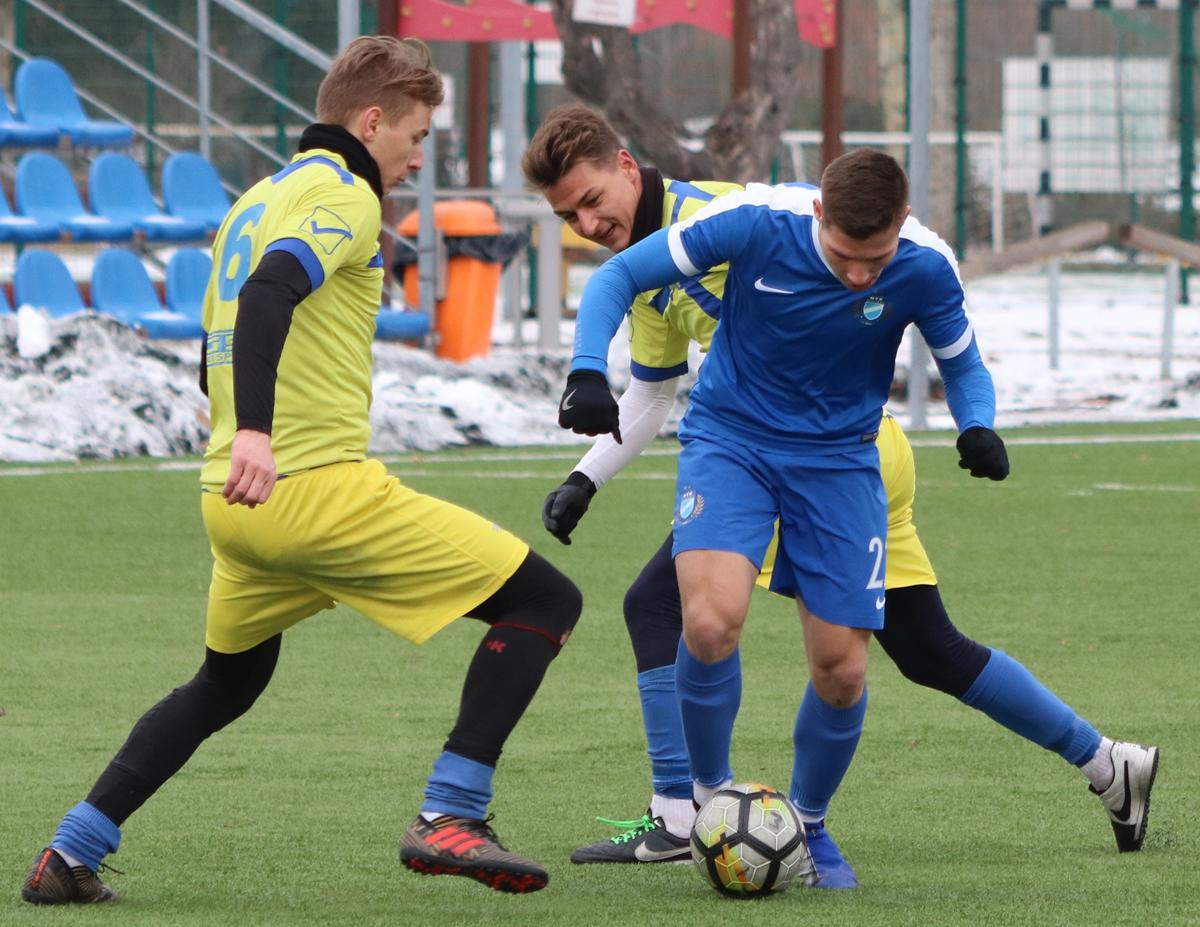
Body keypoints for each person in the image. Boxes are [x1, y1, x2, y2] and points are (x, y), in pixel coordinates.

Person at [528, 109, 1158, 886]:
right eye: (570, 215)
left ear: (627, 167)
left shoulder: (761, 221)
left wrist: (977, 426)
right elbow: (648, 376)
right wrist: (587, 448)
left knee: (849, 662)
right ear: (822, 216)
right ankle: (699, 806)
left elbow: (960, 357)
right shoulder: (695, 254)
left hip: (849, 459)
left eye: (592, 202)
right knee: (709, 615)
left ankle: (771, 820)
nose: (589, 225)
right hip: (736, 446)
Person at [21, 37, 581, 905]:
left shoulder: (256, 199)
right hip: (310, 489)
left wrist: (240, 436)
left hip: (233, 502)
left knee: (226, 682)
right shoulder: (345, 194)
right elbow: (269, 293)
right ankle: (451, 812)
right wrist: (258, 430)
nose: (417, 157)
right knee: (546, 600)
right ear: (371, 121)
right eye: (416, 136)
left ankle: (70, 851)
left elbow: (226, 328)